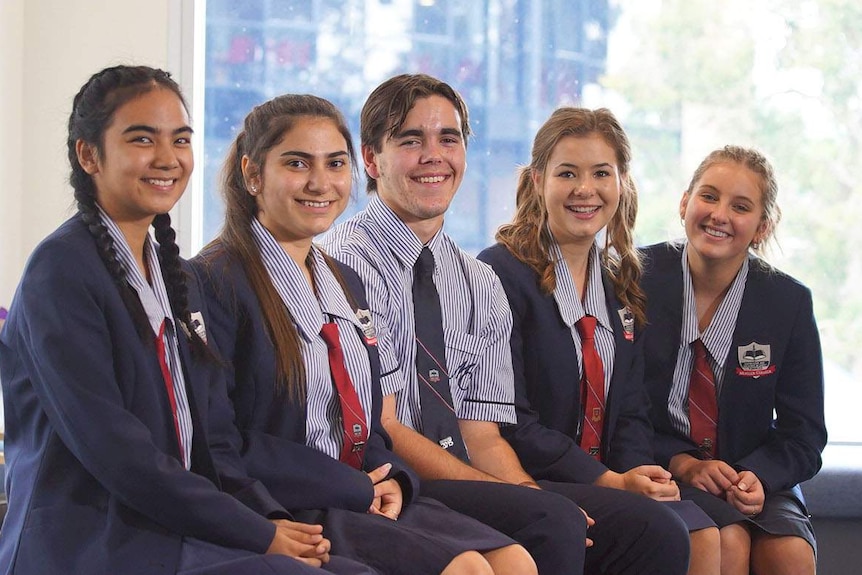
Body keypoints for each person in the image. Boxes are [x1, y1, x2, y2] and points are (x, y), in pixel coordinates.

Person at [0, 65, 374, 575]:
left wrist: (268, 518)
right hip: (92, 543)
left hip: (169, 530)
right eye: (141, 139)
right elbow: (117, 452)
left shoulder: (173, 275)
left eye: (180, 139)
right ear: (89, 154)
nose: (167, 158)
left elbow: (212, 437)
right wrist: (256, 533)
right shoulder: (61, 272)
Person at [323, 73, 691, 575]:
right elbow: (387, 425)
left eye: (448, 139)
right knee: (553, 524)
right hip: (392, 475)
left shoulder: (477, 281)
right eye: (412, 140)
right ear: (371, 159)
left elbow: (483, 432)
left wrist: (525, 493)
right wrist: (517, 499)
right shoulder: (344, 264)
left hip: (463, 473)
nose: (434, 155)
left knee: (655, 531)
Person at [190, 93, 536, 575]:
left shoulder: (341, 279)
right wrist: (350, 485)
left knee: (516, 562)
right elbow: (220, 440)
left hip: (361, 491)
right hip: (295, 502)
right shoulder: (213, 281)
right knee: (469, 570)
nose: (320, 182)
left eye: (335, 164)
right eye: (297, 163)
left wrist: (391, 474)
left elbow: (367, 415)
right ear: (252, 175)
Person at [477, 107, 724, 574]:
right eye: (567, 173)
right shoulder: (499, 275)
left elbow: (630, 411)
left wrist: (636, 473)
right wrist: (608, 480)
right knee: (664, 530)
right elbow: (514, 424)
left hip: (605, 476)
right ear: (536, 181)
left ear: (621, 184)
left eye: (601, 174)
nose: (584, 190)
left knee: (704, 530)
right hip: (531, 476)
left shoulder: (619, 282)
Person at [639, 145, 827, 575]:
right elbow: (619, 408)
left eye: (740, 207)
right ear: (685, 202)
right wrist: (682, 462)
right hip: (664, 463)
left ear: (763, 226)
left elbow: (806, 433)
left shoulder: (789, 302)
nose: (719, 214)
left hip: (755, 473)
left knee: (790, 555)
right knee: (729, 541)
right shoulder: (635, 277)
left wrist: (755, 476)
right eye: (709, 196)